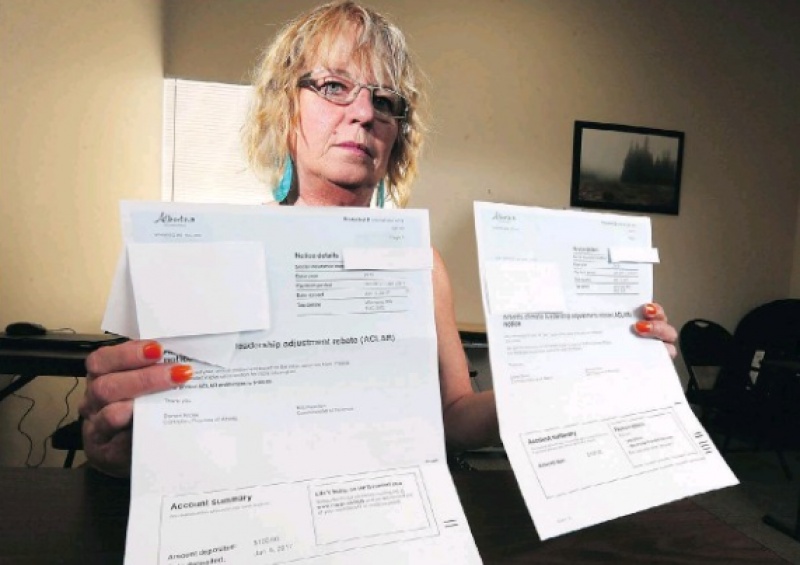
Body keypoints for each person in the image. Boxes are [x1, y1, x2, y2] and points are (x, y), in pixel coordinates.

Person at [79, 1, 678, 478]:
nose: (364, 113)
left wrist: (579, 372)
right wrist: (117, 448)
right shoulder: (208, 255)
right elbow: (159, 432)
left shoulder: (422, 263)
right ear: (285, 108)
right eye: (334, 86)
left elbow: (455, 417)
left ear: (395, 139)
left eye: (385, 100)